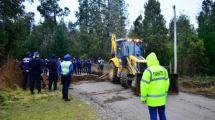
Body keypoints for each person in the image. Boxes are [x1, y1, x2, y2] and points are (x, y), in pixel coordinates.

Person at [140, 52, 170, 120]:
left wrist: (143, 98)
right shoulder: (163, 69)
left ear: (148, 61)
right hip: (162, 99)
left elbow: (144, 86)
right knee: (162, 114)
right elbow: (167, 83)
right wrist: (165, 92)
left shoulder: (148, 71)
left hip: (152, 100)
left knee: (153, 115)